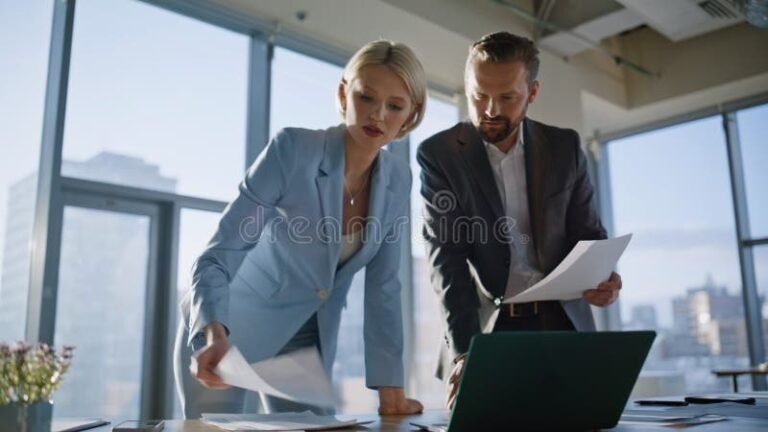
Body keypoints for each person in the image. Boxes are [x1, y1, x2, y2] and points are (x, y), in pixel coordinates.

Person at [173, 40, 426, 418]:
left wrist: (391, 391)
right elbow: (218, 255)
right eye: (366, 98)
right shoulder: (293, 150)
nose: (378, 115)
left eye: (394, 106)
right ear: (344, 92)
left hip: (304, 346)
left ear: (411, 114)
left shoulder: (399, 178)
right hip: (229, 332)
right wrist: (214, 332)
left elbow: (384, 288)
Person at [416, 32, 622, 408]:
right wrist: (465, 351)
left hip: (563, 324)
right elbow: (445, 258)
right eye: (479, 94)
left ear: (533, 92)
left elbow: (589, 235)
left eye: (507, 97)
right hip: (486, 329)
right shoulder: (439, 155)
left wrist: (603, 278)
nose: (491, 109)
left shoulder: (564, 147)